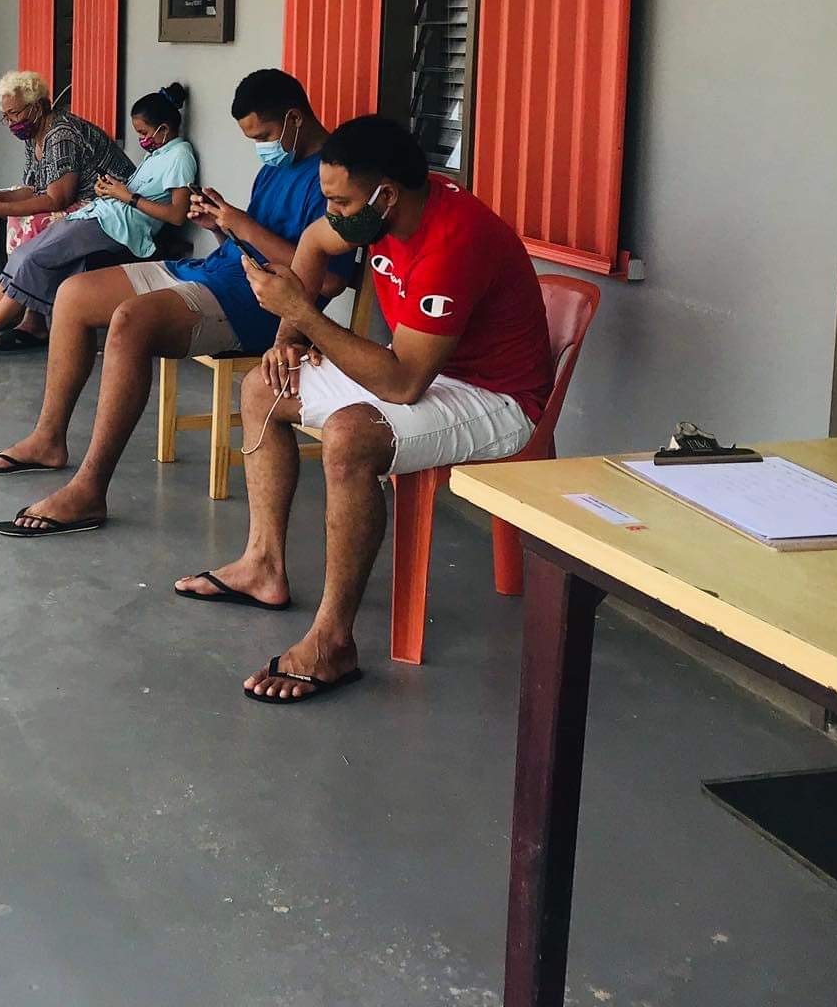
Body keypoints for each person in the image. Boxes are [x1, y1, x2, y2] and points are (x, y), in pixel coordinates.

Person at [173, 115, 553, 705]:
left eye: (338, 199)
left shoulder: (454, 240)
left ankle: (333, 641)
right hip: (424, 367)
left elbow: (402, 384)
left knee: (352, 435)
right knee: (262, 388)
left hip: (497, 398)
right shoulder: (375, 213)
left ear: (385, 195)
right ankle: (263, 565)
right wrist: (284, 344)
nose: (330, 210)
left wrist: (301, 315)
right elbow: (314, 243)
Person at [0, 68, 354, 533]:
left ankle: (90, 490)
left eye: (266, 135)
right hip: (216, 273)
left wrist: (240, 224)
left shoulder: (336, 180)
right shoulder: (277, 167)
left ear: (295, 119)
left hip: (259, 306)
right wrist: (218, 223)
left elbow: (329, 282)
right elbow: (252, 240)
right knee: (73, 296)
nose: (262, 147)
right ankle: (48, 439)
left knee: (131, 320)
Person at [0, 84, 198, 363]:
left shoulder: (180, 155)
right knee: (22, 255)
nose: (141, 140)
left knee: (36, 260)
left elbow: (176, 214)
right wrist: (111, 190)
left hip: (120, 227)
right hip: (100, 214)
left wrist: (126, 195)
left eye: (143, 133)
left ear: (163, 129)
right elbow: (37, 188)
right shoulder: (158, 155)